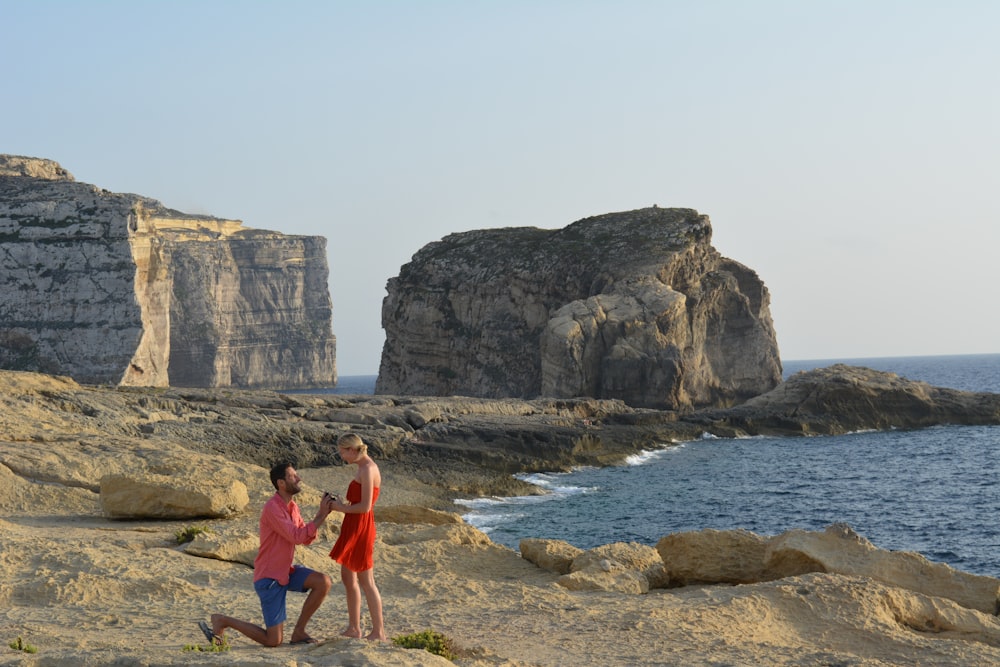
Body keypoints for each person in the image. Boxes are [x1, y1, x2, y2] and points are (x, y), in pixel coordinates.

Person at [198, 462, 336, 647]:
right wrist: (320, 514)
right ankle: (222, 620)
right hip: (269, 578)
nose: (298, 479)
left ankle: (299, 633)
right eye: (293, 476)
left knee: (323, 581)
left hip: (286, 571)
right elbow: (296, 536)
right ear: (281, 483)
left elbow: (304, 537)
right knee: (273, 641)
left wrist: (322, 516)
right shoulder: (272, 508)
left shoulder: (292, 506)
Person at [327, 433, 386, 641]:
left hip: (361, 526)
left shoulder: (368, 469)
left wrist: (340, 507)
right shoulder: (362, 467)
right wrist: (342, 504)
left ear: (352, 450)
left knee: (366, 580)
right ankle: (354, 627)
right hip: (353, 524)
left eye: (342, 452)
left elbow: (366, 506)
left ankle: (378, 631)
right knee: (348, 576)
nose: (342, 456)